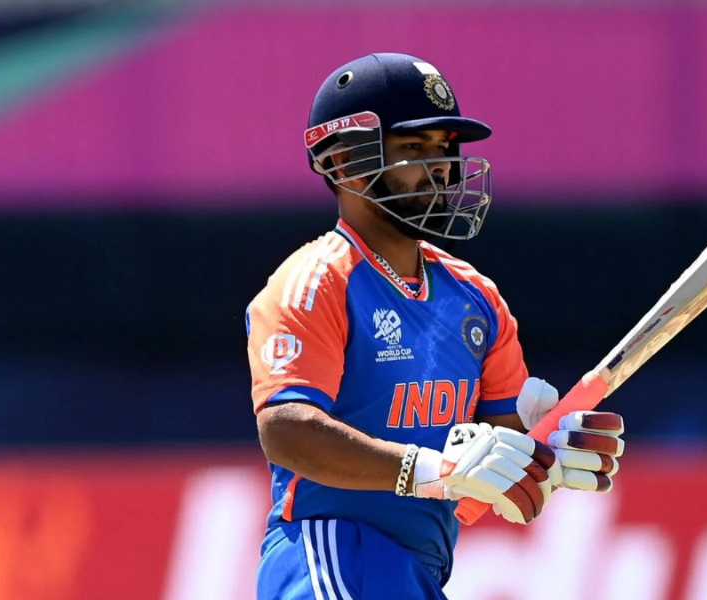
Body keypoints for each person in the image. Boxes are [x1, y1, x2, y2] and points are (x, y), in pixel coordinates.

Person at [246, 52, 625, 600]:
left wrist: (549, 454)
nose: (441, 167)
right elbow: (286, 429)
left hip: (417, 571)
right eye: (415, 148)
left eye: (445, 148)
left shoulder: (476, 297)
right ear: (344, 162)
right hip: (329, 555)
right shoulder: (317, 281)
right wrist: (430, 469)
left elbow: (491, 459)